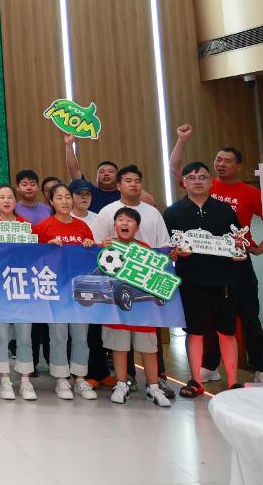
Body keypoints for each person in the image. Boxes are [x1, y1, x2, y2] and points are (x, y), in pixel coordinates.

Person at [170, 124, 263, 384]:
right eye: (218, 159)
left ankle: (262, 367)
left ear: (238, 166)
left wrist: (261, 245)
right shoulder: (204, 184)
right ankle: (210, 365)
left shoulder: (250, 192)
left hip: (238, 261)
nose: (221, 164)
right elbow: (176, 168)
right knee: (207, 316)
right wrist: (182, 139)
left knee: (248, 314)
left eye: (227, 161)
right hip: (204, 264)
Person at [88, 165, 173, 394]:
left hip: (145, 284)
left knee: (150, 336)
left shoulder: (152, 213)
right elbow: (96, 244)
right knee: (119, 335)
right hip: (116, 284)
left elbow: (163, 246)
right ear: (118, 185)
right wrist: (102, 245)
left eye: (137, 180)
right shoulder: (107, 212)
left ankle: (157, 380)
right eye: (128, 180)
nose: (133, 184)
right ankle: (125, 379)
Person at [164, 161, 243, 396]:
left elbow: (238, 241)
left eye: (202, 177)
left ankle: (233, 382)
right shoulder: (173, 212)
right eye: (191, 177)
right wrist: (176, 253)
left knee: (226, 331)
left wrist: (238, 250)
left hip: (223, 280)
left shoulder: (224, 210)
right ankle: (196, 381)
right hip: (190, 281)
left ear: (211, 181)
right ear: (184, 182)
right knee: (194, 331)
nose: (197, 181)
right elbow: (167, 247)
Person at [101, 207, 171, 407]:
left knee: (149, 349)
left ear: (137, 227)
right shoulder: (106, 247)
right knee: (119, 347)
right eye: (120, 220)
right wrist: (97, 246)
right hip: (116, 310)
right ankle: (121, 384)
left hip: (143, 312)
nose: (124, 223)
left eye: (130, 220)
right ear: (114, 225)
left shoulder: (145, 249)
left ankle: (153, 387)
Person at [35, 184, 97, 401]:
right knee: (58, 335)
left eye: (67, 197)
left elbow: (93, 258)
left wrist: (91, 244)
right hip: (55, 289)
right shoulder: (43, 227)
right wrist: (47, 248)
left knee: (81, 336)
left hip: (80, 289)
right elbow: (32, 258)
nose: (64, 201)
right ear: (51, 202)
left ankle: (80, 377)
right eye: (59, 197)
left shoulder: (82, 227)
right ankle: (61, 378)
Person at [0, 185, 36, 401]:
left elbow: (34, 255)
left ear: (16, 201)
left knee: (24, 334)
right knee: (1, 334)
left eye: (10, 197)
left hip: (22, 286)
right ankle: (4, 379)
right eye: (2, 197)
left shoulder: (25, 225)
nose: (6, 201)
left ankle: (25, 379)